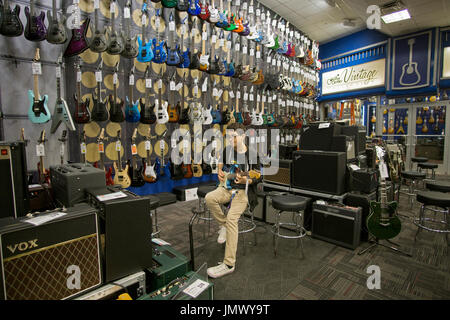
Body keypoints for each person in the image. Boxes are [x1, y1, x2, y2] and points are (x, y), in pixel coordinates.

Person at [205, 123, 262, 279]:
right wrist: (219, 171)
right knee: (209, 198)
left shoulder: (252, 154)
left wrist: (247, 181)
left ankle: (229, 264)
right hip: (225, 188)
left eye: (234, 137)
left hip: (242, 193)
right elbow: (221, 163)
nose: (230, 140)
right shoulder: (227, 150)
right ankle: (223, 226)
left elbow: (258, 176)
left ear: (243, 136)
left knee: (232, 219)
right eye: (228, 137)